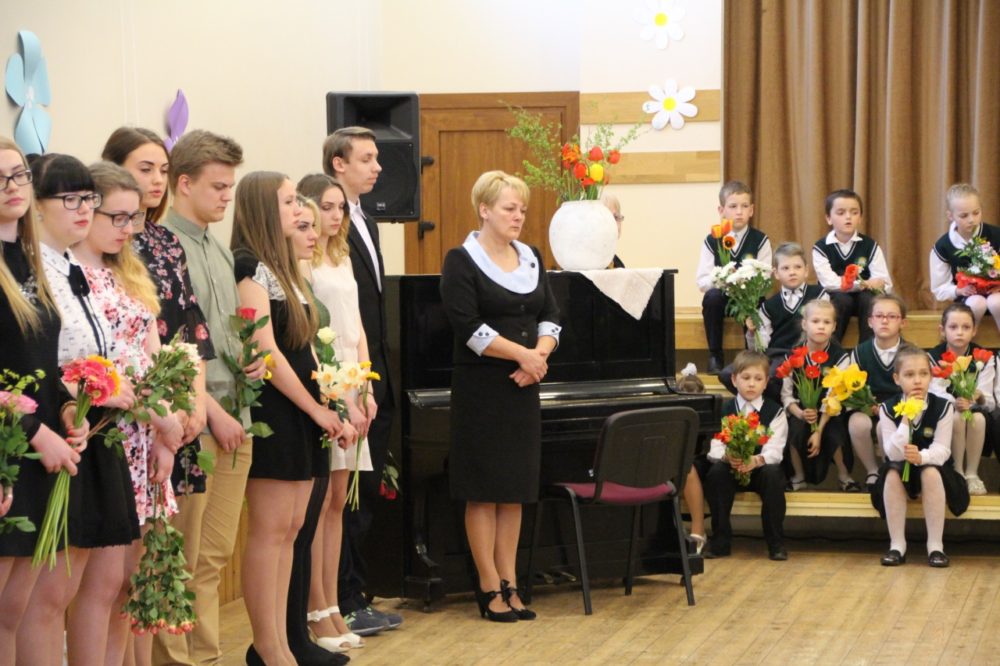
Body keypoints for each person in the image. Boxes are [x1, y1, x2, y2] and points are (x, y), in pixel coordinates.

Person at [19, 154, 140, 665]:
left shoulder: (74, 266)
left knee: (106, 579)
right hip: (54, 428)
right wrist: (90, 392)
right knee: (49, 594)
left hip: (90, 426)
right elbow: (40, 362)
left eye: (89, 198)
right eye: (70, 199)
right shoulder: (32, 270)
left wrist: (105, 388)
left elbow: (97, 349)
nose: (84, 209)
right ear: (37, 206)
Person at [232, 171, 352, 666]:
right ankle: (267, 646)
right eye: (287, 202)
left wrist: (331, 403)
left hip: (304, 411)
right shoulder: (249, 266)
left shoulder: (281, 269)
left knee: (293, 528)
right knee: (270, 530)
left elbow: (306, 348)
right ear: (264, 209)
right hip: (277, 410)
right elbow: (266, 350)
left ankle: (283, 642)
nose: (299, 210)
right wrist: (314, 407)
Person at [158, 129, 263, 666]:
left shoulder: (219, 249)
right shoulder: (163, 248)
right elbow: (174, 346)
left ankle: (205, 655)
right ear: (183, 183)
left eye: (230, 187)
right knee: (180, 553)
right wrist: (215, 413)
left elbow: (223, 333)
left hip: (234, 413)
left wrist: (253, 359)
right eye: (217, 186)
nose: (226, 197)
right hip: (197, 419)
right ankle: (174, 658)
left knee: (215, 554)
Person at [440, 170, 560, 621]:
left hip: (523, 387)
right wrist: (523, 356)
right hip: (482, 390)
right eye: (510, 208)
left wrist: (538, 356)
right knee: (483, 491)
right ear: (484, 210)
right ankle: (488, 585)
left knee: (514, 490)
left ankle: (511, 583)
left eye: (522, 209)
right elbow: (468, 327)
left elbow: (551, 315)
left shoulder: (530, 257)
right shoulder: (461, 260)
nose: (518, 216)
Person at [79, 162, 184, 666]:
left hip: (145, 435)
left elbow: (152, 352)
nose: (127, 229)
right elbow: (101, 364)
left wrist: (166, 427)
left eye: (134, 218)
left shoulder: (127, 270)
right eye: (117, 218)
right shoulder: (73, 276)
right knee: (100, 584)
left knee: (128, 581)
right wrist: (156, 414)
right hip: (109, 429)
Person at [0, 139, 84, 664]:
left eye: (18, 175)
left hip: (39, 445)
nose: (11, 187)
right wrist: (34, 432)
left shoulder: (29, 261)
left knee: (14, 608)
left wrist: (68, 408)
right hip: (12, 445)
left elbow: (40, 360)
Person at [102, 127, 215, 501]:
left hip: (179, 399)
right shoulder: (105, 244)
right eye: (145, 169)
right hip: (135, 402)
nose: (156, 180)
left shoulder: (166, 240)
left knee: (174, 524)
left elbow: (193, 325)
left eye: (163, 170)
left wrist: (196, 401)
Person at [322, 126, 401, 633]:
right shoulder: (327, 224)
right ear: (339, 163)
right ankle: (340, 598)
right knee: (343, 501)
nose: (378, 167)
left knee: (364, 494)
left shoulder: (365, 219)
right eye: (367, 159)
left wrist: (373, 380)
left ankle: (356, 593)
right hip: (340, 379)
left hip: (369, 376)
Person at [297, 175, 372, 648]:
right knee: (320, 500)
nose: (334, 216)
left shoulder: (341, 256)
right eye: (326, 207)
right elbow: (310, 333)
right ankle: (314, 606)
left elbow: (357, 327)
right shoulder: (303, 263)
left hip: (351, 377)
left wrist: (365, 387)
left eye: (339, 207)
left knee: (339, 500)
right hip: (325, 380)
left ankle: (332, 606)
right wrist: (338, 395)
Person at [874, 345, 968, 567]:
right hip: (901, 469)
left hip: (936, 469)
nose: (917, 380)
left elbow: (943, 450)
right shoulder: (887, 408)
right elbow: (892, 453)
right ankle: (897, 545)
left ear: (931, 377)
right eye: (909, 375)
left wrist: (921, 457)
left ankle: (935, 546)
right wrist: (906, 418)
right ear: (897, 379)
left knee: (930, 473)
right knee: (892, 473)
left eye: (923, 374)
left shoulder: (943, 407)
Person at [811, 293, 910, 493]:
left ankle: (891, 469)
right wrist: (865, 405)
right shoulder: (859, 352)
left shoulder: (910, 353)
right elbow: (850, 390)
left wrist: (888, 408)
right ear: (870, 322)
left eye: (892, 316)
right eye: (879, 316)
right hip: (868, 407)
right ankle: (872, 471)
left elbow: (916, 390)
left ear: (902, 323)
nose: (884, 321)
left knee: (883, 425)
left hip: (901, 410)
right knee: (857, 422)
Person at [703, 350, 788, 561]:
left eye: (758, 379)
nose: (751, 384)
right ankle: (720, 541)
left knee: (773, 476)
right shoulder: (724, 409)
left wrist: (756, 460)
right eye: (746, 378)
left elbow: (775, 449)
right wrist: (727, 457)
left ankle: (776, 543)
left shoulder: (775, 412)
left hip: (760, 469)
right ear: (734, 380)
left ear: (766, 383)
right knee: (716, 474)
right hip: (731, 467)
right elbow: (715, 445)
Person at [720, 241, 828, 398]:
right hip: (775, 355)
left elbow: (825, 326)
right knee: (727, 374)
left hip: (805, 354)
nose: (792, 272)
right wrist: (752, 333)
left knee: (772, 377)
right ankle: (760, 403)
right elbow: (761, 346)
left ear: (806, 271)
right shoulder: (769, 305)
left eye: (797, 267)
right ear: (776, 273)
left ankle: (772, 406)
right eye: (786, 268)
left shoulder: (819, 295)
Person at [695, 180, 772, 374]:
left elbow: (765, 276)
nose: (739, 212)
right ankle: (715, 355)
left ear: (751, 210)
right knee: (712, 298)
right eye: (733, 206)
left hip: (749, 296)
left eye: (744, 206)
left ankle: (753, 355)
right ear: (721, 210)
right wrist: (722, 278)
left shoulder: (760, 240)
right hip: (723, 297)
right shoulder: (712, 240)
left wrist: (745, 283)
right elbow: (702, 281)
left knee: (757, 302)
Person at [779, 299, 853, 491]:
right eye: (815, 321)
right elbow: (786, 395)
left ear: (834, 326)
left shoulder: (841, 357)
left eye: (827, 322)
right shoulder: (793, 356)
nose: (821, 326)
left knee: (834, 434)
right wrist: (800, 413)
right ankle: (798, 476)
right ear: (804, 324)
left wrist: (818, 430)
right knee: (794, 430)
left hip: (829, 412)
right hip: (802, 412)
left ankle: (844, 476)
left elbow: (834, 396)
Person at [927, 303, 995, 496]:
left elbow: (989, 401)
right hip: (945, 412)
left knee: (978, 419)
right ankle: (957, 471)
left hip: (975, 412)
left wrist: (977, 398)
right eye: (953, 327)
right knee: (957, 417)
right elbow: (935, 392)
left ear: (974, 331)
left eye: (966, 327)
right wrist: (954, 402)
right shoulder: (933, 357)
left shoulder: (984, 358)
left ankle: (972, 473)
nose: (959, 332)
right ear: (942, 330)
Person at [812, 189, 892, 344]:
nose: (848, 217)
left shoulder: (870, 245)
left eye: (854, 212)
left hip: (864, 299)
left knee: (869, 299)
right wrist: (863, 284)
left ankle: (866, 349)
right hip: (836, 297)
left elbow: (884, 281)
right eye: (841, 213)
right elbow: (829, 282)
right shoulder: (821, 247)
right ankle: (832, 348)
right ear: (829, 218)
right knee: (842, 300)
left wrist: (876, 285)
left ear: (860, 218)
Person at [929, 183, 1000, 332]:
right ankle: (969, 340)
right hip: (967, 299)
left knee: (996, 302)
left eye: (976, 213)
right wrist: (958, 290)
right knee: (976, 303)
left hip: (997, 294)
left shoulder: (996, 235)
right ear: (950, 216)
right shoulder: (943, 247)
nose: (971, 220)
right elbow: (939, 288)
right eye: (964, 215)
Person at [600, 192, 625, 268]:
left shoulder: (618, 264)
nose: (613, 223)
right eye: (606, 217)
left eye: (616, 217)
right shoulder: (585, 266)